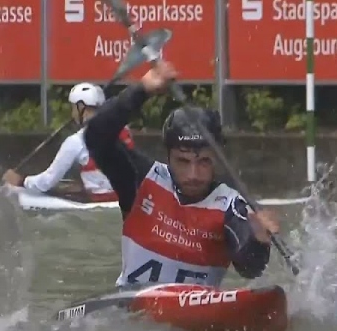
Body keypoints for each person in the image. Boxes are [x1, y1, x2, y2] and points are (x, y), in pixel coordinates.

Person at [83, 61, 281, 288]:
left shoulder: (230, 204)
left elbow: (250, 268)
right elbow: (96, 137)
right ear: (168, 156)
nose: (193, 175)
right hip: (131, 313)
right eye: (183, 161)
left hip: (194, 317)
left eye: (204, 161)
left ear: (216, 158)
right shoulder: (141, 179)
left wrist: (259, 241)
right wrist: (141, 90)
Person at [1, 82, 135, 203]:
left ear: (81, 107)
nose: (72, 113)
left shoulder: (76, 141)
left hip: (100, 204)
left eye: (73, 108)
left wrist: (21, 180)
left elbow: (46, 182)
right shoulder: (124, 129)